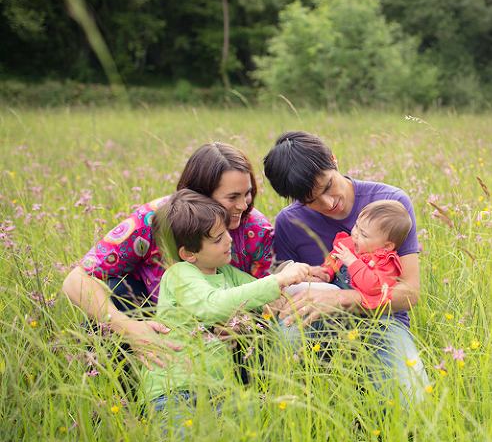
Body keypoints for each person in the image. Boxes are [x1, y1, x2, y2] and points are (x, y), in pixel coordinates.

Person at [62, 142, 276, 367]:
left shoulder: (256, 230)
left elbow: (266, 296)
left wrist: (240, 322)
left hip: (221, 335)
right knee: (116, 290)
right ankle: (117, 392)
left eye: (248, 193)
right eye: (232, 197)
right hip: (156, 324)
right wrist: (128, 328)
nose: (242, 205)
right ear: (199, 194)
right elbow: (76, 280)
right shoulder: (154, 220)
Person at [262, 131, 428, 407]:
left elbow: (409, 294)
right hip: (314, 320)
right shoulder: (288, 222)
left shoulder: (390, 203)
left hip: (380, 320)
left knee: (411, 404)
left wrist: (343, 298)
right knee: (287, 349)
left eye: (327, 186)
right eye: (310, 200)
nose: (328, 204)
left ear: (334, 160)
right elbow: (284, 296)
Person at [142, 189, 309, 433]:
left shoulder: (226, 273)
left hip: (216, 389)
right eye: (217, 239)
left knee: (262, 426)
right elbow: (213, 305)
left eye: (226, 233)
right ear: (188, 254)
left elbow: (257, 293)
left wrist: (287, 288)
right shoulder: (180, 275)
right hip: (174, 390)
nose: (229, 240)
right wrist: (276, 282)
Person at [284, 200, 412, 312]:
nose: (355, 233)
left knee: (302, 293)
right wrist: (327, 272)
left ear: (386, 246)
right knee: (298, 285)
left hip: (356, 305)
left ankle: (284, 295)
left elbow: (374, 288)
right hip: (333, 291)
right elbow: (334, 256)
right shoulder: (351, 242)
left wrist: (353, 262)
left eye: (364, 234)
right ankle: (280, 291)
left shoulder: (385, 262)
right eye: (356, 226)